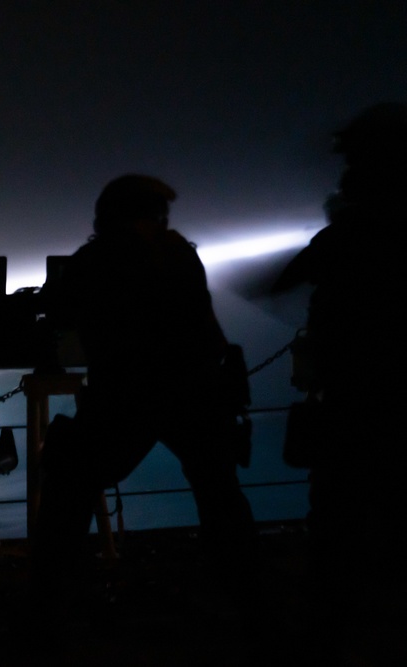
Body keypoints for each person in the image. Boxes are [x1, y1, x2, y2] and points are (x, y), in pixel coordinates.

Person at [33, 174, 258, 617]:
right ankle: (250, 601)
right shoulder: (181, 254)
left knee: (67, 486)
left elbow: (57, 309)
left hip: (124, 396)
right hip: (195, 392)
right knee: (220, 495)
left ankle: (48, 610)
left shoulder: (95, 259)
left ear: (106, 215)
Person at [273, 103, 407, 663]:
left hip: (356, 403)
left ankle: (330, 633)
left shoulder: (351, 235)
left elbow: (285, 280)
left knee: (338, 519)